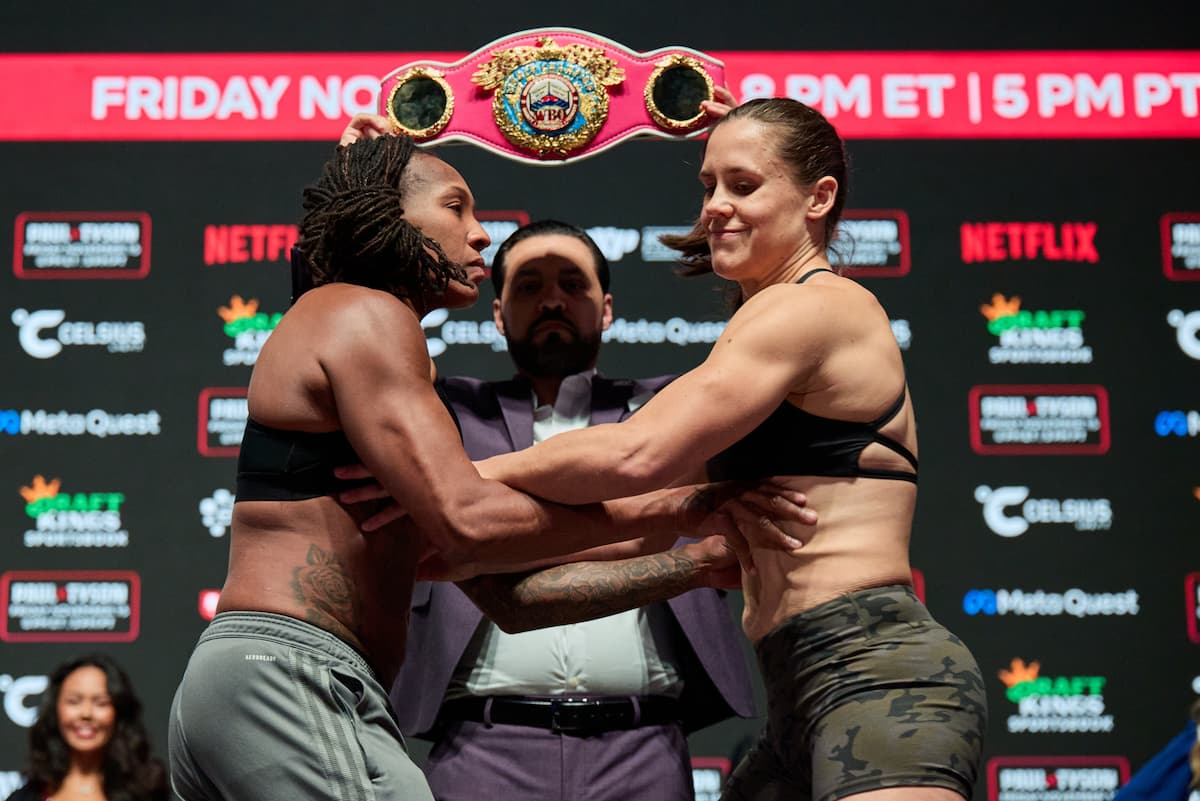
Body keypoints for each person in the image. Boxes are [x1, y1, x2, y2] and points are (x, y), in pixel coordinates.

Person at [167, 123, 814, 801]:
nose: (480, 233)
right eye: (456, 206)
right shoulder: (366, 315)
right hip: (292, 671)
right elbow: (471, 520)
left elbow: (503, 592)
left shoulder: (363, 345)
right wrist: (681, 508)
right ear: (390, 214)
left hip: (267, 678)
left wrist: (685, 540)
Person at [460, 98, 988, 801]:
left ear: (818, 197)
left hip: (877, 668)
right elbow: (635, 518)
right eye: (708, 185)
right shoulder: (765, 325)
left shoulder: (812, 306)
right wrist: (465, 537)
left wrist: (460, 483)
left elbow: (633, 455)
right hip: (799, 688)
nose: (714, 207)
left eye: (743, 184)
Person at [389, 219, 756, 801]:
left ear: (607, 309)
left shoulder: (671, 412)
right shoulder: (446, 413)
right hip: (481, 748)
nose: (553, 299)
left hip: (644, 746)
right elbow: (370, 337)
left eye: (572, 285)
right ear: (498, 316)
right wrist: (367, 211)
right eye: (529, 287)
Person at [6, 654, 167, 801]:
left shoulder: (146, 792)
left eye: (101, 702)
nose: (86, 713)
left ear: (119, 712)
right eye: (74, 701)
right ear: (55, 710)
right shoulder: (26, 796)